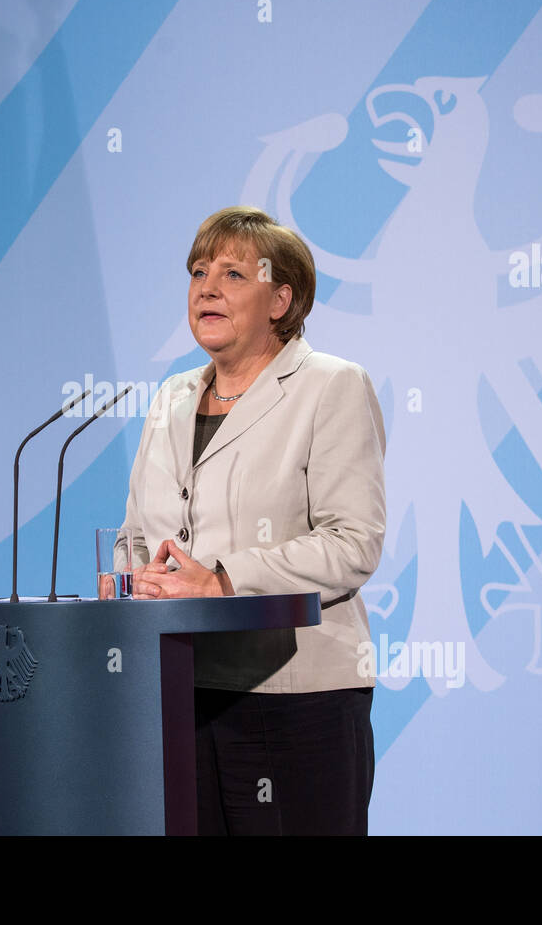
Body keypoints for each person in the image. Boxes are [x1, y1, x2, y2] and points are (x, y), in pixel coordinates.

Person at [120, 206, 386, 835]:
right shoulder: (172, 397)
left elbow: (352, 544)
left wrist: (222, 580)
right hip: (181, 692)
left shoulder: (331, 386)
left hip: (295, 698)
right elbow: (137, 535)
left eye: (233, 274)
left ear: (280, 299)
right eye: (197, 272)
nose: (207, 287)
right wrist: (131, 581)